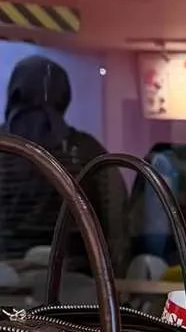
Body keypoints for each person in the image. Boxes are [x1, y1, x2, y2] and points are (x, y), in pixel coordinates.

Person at [0, 55, 129, 274]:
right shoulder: (86, 150)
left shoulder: (5, 146)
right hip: (72, 280)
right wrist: (113, 275)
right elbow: (115, 220)